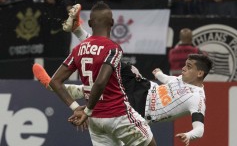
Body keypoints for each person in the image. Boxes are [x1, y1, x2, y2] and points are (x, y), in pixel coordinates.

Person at [34, 53, 212, 146]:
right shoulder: (182, 79)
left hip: (140, 110)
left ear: (200, 73)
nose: (183, 69)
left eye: (188, 67)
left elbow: (200, 129)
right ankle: (79, 30)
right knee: (116, 62)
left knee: (102, 94)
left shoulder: (197, 99)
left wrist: (190, 135)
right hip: (142, 86)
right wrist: (159, 74)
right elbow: (168, 80)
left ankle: (54, 86)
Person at [47, 1, 157, 146]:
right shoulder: (113, 48)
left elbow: (54, 81)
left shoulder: (78, 49)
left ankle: (77, 29)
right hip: (119, 115)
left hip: (96, 120)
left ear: (90, 23)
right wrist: (87, 111)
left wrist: (76, 108)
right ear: (112, 23)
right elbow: (100, 82)